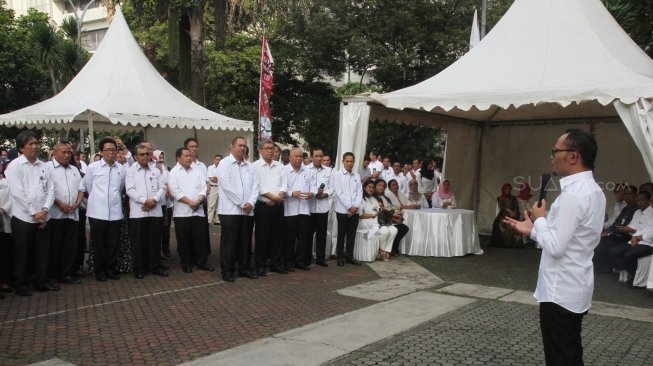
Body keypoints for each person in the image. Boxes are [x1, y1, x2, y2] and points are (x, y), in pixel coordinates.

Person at [503, 128, 605, 366]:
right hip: (575, 284)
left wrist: (539, 219)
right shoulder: (593, 191)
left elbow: (556, 247)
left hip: (560, 290)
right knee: (570, 352)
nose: (552, 156)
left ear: (573, 156)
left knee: (559, 356)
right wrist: (534, 228)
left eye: (555, 150)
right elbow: (566, 237)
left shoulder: (573, 196)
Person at [5, 131, 56, 295]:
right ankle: (22, 284)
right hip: (23, 218)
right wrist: (35, 213)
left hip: (43, 216)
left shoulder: (43, 165)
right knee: (23, 253)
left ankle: (41, 281)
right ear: (21, 147)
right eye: (30, 144)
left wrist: (45, 210)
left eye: (36, 143)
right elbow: (18, 194)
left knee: (42, 252)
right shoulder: (14, 166)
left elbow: (51, 190)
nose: (35, 147)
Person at [217, 137, 259, 282]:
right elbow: (227, 187)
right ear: (232, 147)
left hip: (248, 211)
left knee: (245, 242)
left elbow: (256, 187)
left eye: (245, 146)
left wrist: (251, 203)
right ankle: (227, 271)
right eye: (240, 145)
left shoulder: (250, 166)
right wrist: (242, 204)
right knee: (229, 243)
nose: (243, 148)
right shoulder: (224, 164)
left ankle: (244, 268)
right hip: (230, 211)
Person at [84, 137, 126, 282]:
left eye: (114, 150)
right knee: (99, 243)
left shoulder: (121, 169)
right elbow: (89, 187)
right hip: (97, 211)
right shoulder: (93, 168)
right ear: (101, 152)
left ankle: (111, 268)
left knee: (113, 243)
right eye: (108, 150)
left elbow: (120, 189)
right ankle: (100, 270)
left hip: (115, 211)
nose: (111, 153)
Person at [125, 144, 168, 279]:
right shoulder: (131, 171)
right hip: (139, 212)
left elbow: (162, 187)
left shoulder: (156, 170)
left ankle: (154, 266)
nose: (145, 156)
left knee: (154, 240)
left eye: (147, 154)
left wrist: (154, 200)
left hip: (155, 210)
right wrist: (145, 201)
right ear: (136, 156)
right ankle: (140, 268)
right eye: (142, 154)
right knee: (139, 241)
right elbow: (129, 190)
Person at [168, 147, 213, 274]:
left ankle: (202, 262)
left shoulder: (197, 170)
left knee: (200, 238)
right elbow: (175, 191)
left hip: (198, 210)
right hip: (182, 212)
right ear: (178, 158)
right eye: (186, 156)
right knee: (184, 239)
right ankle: (186, 263)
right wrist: (190, 202)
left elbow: (204, 187)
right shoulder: (174, 172)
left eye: (190, 156)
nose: (189, 158)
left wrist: (198, 201)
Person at [47, 142, 85, 284]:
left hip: (72, 214)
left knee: (70, 246)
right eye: (64, 152)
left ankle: (67, 273)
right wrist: (59, 203)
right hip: (55, 215)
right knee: (55, 246)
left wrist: (78, 202)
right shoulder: (47, 168)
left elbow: (81, 188)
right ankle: (53, 274)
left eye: (69, 152)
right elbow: (46, 190)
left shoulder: (74, 169)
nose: (67, 155)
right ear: (54, 153)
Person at [253, 140, 286, 276]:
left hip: (278, 205)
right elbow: (258, 187)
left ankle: (276, 264)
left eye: (272, 148)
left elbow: (284, 184)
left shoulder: (279, 166)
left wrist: (279, 196)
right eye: (267, 148)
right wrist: (274, 198)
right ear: (260, 150)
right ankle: (260, 265)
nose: (270, 151)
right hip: (263, 206)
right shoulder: (255, 166)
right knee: (262, 237)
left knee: (277, 236)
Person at [607, 191, 653, 285]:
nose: (639, 202)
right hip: (634, 240)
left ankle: (633, 276)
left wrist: (638, 238)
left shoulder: (651, 213)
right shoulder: (637, 212)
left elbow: (651, 232)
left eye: (642, 200)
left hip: (648, 243)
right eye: (638, 200)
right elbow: (633, 226)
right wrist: (623, 228)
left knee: (628, 255)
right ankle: (628, 271)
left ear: (649, 201)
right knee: (613, 251)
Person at [283, 148, 316, 271]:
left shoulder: (308, 171)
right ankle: (289, 261)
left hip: (304, 208)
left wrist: (312, 193)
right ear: (290, 157)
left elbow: (314, 186)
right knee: (289, 237)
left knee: (303, 237)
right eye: (296, 156)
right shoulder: (284, 170)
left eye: (300, 156)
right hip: (290, 209)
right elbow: (281, 187)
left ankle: (300, 261)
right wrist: (292, 193)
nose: (299, 158)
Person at [331, 152, 363, 266]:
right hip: (342, 210)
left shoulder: (357, 175)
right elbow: (339, 193)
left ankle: (349, 256)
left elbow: (359, 192)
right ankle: (340, 257)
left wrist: (356, 206)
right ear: (343, 161)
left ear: (354, 162)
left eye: (351, 161)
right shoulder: (337, 175)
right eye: (347, 161)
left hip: (355, 210)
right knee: (341, 234)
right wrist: (350, 207)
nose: (349, 163)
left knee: (351, 234)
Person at [358, 179, 398, 261]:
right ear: (364, 187)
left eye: (372, 187)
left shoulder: (374, 198)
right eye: (369, 186)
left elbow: (382, 210)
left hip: (376, 221)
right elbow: (360, 215)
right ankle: (383, 251)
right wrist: (373, 215)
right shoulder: (360, 199)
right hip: (365, 222)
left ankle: (385, 250)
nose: (371, 189)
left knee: (394, 230)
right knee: (385, 231)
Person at [307, 147, 333, 267]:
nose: (319, 158)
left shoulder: (329, 171)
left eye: (320, 156)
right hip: (309, 207)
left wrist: (325, 194)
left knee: (321, 234)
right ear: (312, 157)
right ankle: (306, 258)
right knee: (307, 234)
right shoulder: (306, 170)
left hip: (323, 207)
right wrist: (313, 193)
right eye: (316, 156)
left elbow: (333, 187)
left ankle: (320, 258)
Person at [375, 179, 408, 257]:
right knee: (399, 228)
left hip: (388, 218)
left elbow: (392, 208)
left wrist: (396, 215)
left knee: (404, 228)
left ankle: (391, 249)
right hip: (380, 220)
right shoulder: (374, 197)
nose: (381, 187)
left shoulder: (385, 197)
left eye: (383, 186)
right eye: (379, 185)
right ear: (375, 186)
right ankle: (390, 249)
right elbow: (380, 210)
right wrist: (393, 216)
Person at [491, 183, 523, 248]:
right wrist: (509, 211)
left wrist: (514, 212)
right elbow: (502, 208)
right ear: (503, 190)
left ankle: (516, 243)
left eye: (509, 189)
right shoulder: (500, 198)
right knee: (503, 223)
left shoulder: (514, 198)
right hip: (504, 214)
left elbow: (516, 206)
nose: (508, 190)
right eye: (506, 189)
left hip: (514, 215)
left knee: (516, 222)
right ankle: (506, 243)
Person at [0, 160, 14, 295]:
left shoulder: (7, 182)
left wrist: (2, 210)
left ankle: (5, 280)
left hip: (4, 220)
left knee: (4, 252)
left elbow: (12, 198)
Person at [206, 154, 222, 225]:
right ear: (214, 160)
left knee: (220, 205)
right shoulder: (210, 168)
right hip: (213, 187)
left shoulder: (223, 168)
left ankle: (217, 220)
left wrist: (216, 178)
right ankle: (209, 220)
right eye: (217, 159)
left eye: (219, 160)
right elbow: (211, 178)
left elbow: (223, 179)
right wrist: (218, 179)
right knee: (211, 204)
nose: (218, 161)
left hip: (221, 188)